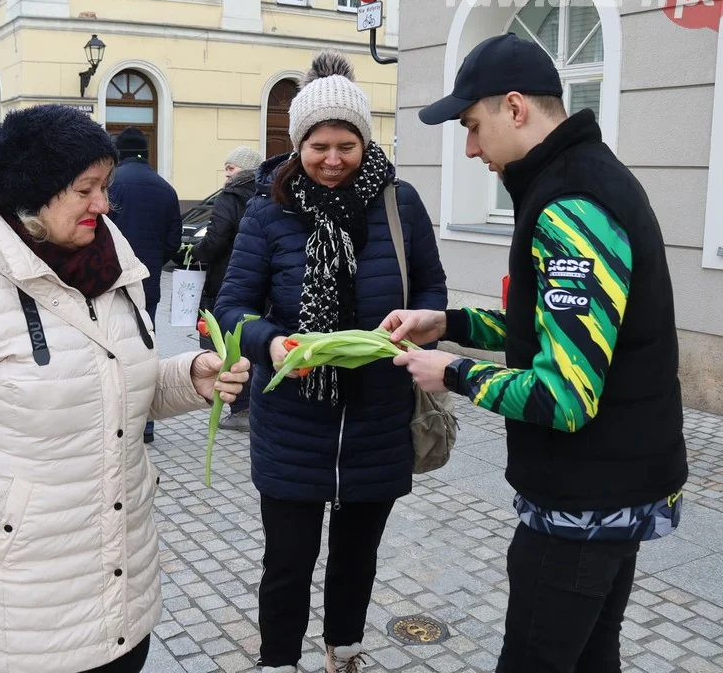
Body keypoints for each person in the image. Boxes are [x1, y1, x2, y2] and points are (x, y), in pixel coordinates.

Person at [0, 105, 250, 673]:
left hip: (118, 579)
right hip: (24, 600)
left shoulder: (112, 270)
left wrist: (187, 376)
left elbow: (116, 389)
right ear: (34, 193)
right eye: (87, 189)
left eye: (105, 186)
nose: (104, 204)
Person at [387, 33, 688, 673]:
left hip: (582, 500)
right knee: (589, 658)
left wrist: (454, 374)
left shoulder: (569, 203)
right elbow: (549, 325)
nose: (470, 148)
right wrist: (449, 322)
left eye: (473, 126)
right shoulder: (584, 177)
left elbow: (564, 396)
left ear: (515, 108)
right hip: (614, 489)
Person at [215, 51, 447, 673]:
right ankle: (278, 662)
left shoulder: (401, 205)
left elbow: (431, 292)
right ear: (298, 146)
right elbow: (231, 303)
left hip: (377, 419)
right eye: (319, 145)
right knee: (287, 562)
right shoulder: (268, 210)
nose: (333, 159)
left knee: (356, 556)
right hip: (293, 420)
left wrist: (416, 324)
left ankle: (343, 651)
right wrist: (271, 343)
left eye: (347, 144)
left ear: (365, 141)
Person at [108, 125, 183, 443]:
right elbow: (173, 243)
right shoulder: (165, 188)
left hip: (108, 284)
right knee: (144, 352)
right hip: (148, 285)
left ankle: (114, 425)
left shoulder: (110, 184)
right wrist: (150, 263)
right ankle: (146, 426)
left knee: (110, 355)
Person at [192, 145, 264, 432]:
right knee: (254, 341)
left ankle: (241, 407)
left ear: (244, 170)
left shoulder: (231, 196)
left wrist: (197, 252)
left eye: (231, 168)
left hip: (227, 278)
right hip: (260, 281)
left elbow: (216, 238)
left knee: (224, 343)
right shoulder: (267, 193)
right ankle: (256, 404)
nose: (227, 174)